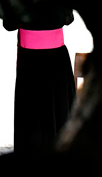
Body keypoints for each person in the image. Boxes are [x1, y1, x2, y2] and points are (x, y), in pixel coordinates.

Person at [11, 9, 77, 153]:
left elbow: (9, 24)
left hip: (30, 60)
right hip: (55, 58)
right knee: (58, 110)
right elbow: (68, 19)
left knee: (31, 114)